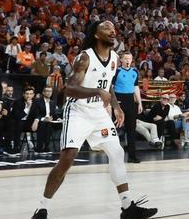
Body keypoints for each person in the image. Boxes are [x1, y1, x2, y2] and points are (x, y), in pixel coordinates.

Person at [31, 20, 156, 219]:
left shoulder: (115, 57)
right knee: (67, 160)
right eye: (107, 28)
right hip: (78, 112)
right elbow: (69, 89)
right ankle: (42, 208)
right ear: (97, 35)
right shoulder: (85, 58)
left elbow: (108, 87)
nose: (113, 31)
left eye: (114, 28)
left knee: (116, 152)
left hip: (99, 114)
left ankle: (127, 206)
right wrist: (97, 92)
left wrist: (116, 107)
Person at [114, 52, 142, 163]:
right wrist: (113, 105)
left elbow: (136, 87)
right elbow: (111, 88)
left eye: (129, 59)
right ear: (121, 60)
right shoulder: (117, 72)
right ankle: (114, 156)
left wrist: (139, 102)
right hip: (119, 99)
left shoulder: (134, 71)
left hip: (130, 100)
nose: (127, 61)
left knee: (132, 129)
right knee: (116, 128)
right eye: (125, 58)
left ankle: (132, 155)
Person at [36, 85, 62, 154]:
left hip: (50, 121)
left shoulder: (52, 102)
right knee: (44, 124)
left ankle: (47, 146)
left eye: (50, 91)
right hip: (40, 121)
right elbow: (36, 113)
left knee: (51, 124)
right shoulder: (38, 101)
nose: (49, 93)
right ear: (43, 92)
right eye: (47, 91)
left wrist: (58, 118)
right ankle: (40, 147)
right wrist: (44, 119)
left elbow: (54, 114)